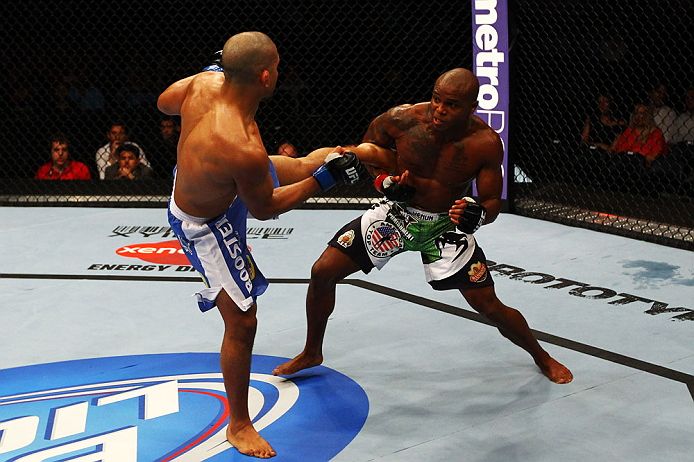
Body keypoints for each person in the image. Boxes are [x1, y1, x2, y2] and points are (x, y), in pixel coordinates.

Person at [273, 69, 574, 388]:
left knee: (488, 305)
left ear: (473, 107)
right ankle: (311, 352)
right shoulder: (402, 119)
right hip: (397, 214)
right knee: (322, 271)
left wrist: (478, 215)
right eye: (436, 99)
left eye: (452, 105)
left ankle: (542, 356)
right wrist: (385, 183)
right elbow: (369, 152)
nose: (440, 110)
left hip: (445, 225)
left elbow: (490, 202)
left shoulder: (485, 143)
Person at [157, 31, 363, 459]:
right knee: (243, 322)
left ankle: (345, 159)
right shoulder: (241, 146)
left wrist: (210, 75)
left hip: (211, 177)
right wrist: (322, 182)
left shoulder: (204, 83)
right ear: (266, 76)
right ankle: (238, 424)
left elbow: (163, 102)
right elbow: (265, 208)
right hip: (205, 222)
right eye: (279, 67)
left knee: (306, 161)